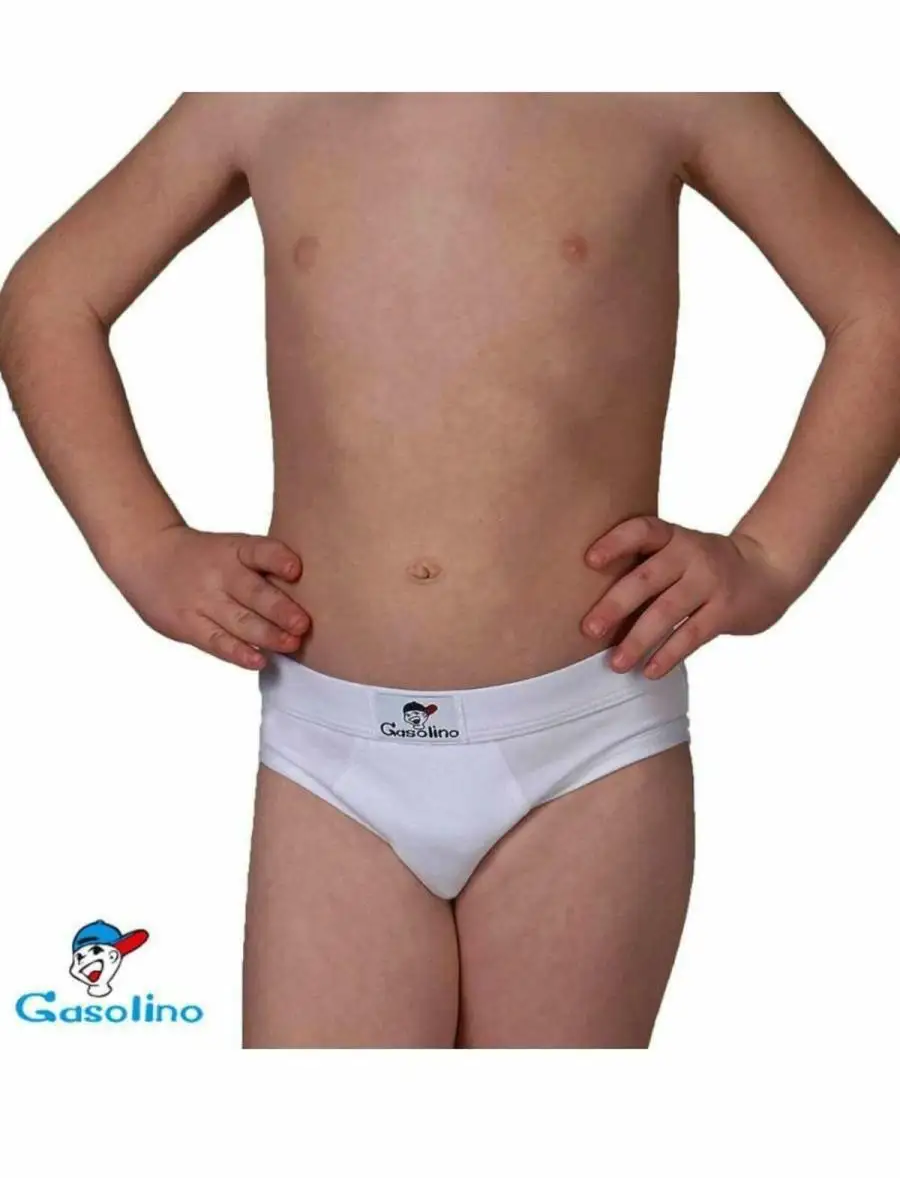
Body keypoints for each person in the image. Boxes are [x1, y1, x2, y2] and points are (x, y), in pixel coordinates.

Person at [1, 93, 897, 1048]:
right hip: (329, 755)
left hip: (584, 745)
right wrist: (144, 545)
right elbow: (50, 301)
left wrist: (770, 557)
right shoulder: (265, 85)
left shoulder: (668, 79)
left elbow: (880, 305)